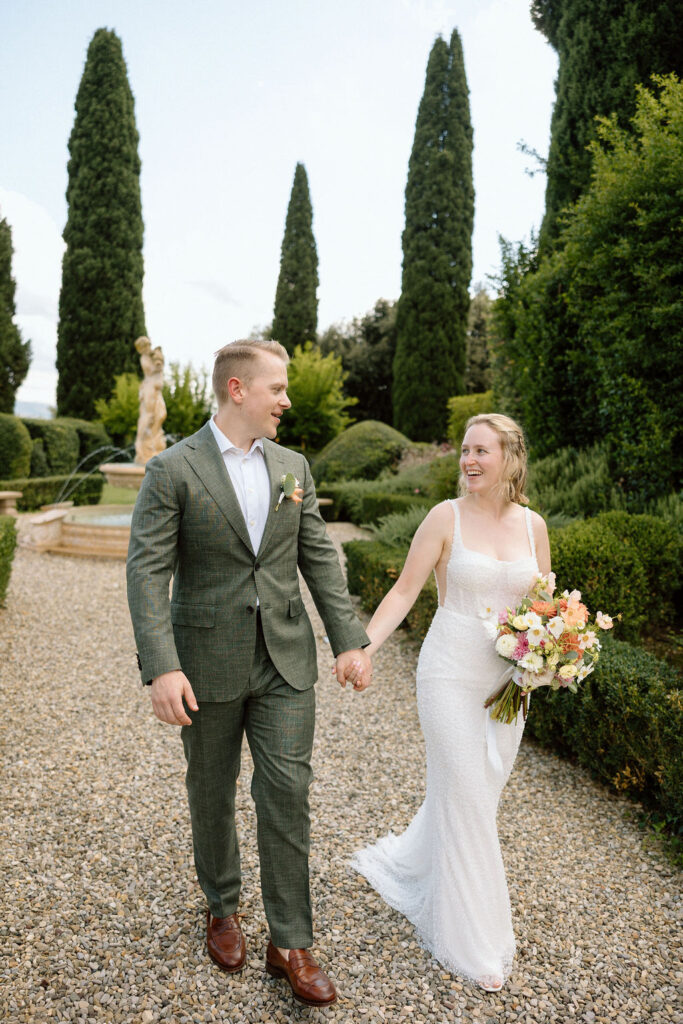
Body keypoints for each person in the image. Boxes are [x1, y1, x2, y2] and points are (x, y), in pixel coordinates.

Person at [127, 339, 372, 1009]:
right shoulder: (172, 470)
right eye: (277, 389)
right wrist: (162, 665)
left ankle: (290, 941)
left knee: (287, 791)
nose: (286, 400)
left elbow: (317, 556)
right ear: (237, 390)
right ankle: (222, 905)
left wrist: (349, 640)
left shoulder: (293, 465)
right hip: (204, 663)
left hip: (285, 660)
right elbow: (147, 571)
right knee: (212, 788)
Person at [351, 413, 551, 993]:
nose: (468, 460)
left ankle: (419, 864)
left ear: (510, 457)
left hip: (509, 685)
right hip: (447, 674)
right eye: (465, 450)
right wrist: (364, 648)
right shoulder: (445, 517)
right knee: (465, 791)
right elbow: (405, 589)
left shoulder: (534, 525)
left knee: (477, 793)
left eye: (481, 451)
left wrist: (557, 651)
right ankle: (474, 941)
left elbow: (545, 601)